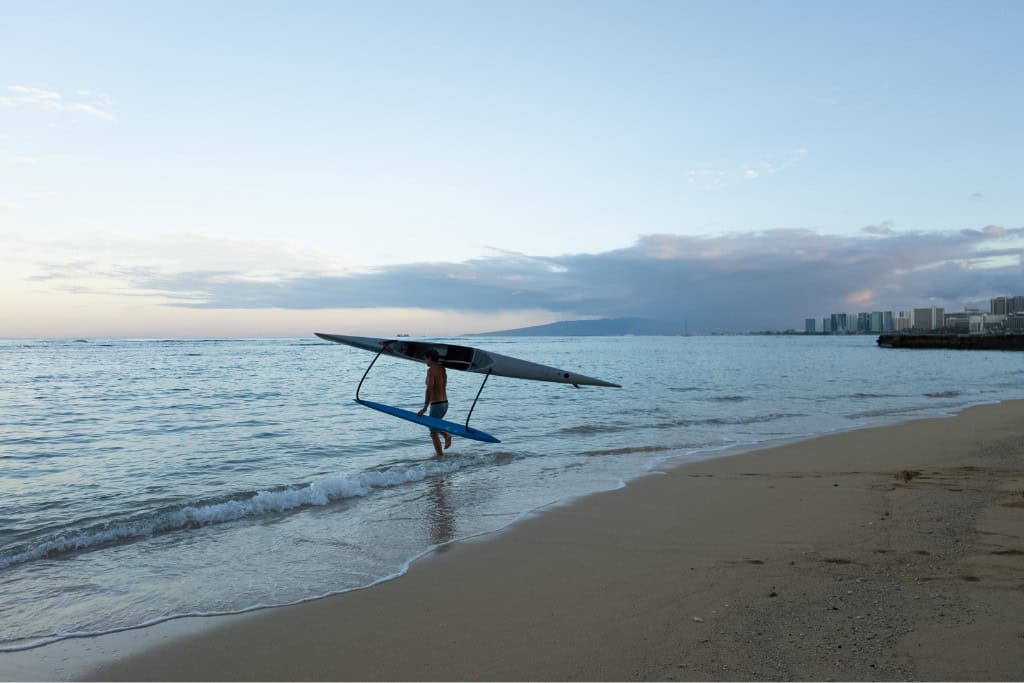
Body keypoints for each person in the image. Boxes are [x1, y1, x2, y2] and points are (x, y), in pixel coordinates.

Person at [416, 349, 452, 456]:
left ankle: (440, 457)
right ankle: (446, 435)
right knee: (434, 426)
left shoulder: (431, 371)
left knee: (433, 433)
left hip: (436, 405)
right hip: (445, 403)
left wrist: (425, 408)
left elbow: (429, 389)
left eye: (425, 358)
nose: (425, 361)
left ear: (430, 358)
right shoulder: (442, 369)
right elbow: (444, 385)